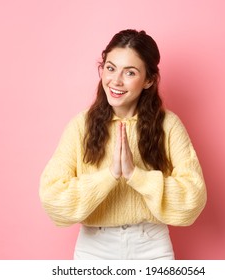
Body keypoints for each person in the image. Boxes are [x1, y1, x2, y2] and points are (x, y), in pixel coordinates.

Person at [39, 29, 207, 260]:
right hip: (94, 249)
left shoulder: (169, 125)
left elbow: (193, 198)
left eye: (130, 72)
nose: (115, 80)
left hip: (152, 247)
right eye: (110, 68)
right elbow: (52, 197)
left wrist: (134, 175)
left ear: (148, 80)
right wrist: (110, 175)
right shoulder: (81, 126)